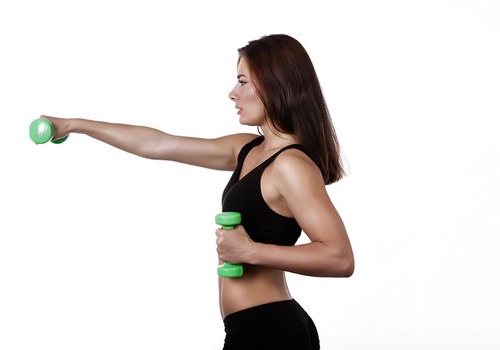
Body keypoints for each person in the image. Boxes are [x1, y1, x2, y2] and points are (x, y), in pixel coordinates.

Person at [41, 34, 354, 350]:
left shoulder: (291, 165)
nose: (233, 93)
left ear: (276, 84)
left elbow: (339, 257)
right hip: (249, 328)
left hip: (271, 332)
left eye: (243, 82)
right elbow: (159, 144)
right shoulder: (246, 149)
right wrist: (73, 125)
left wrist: (251, 252)